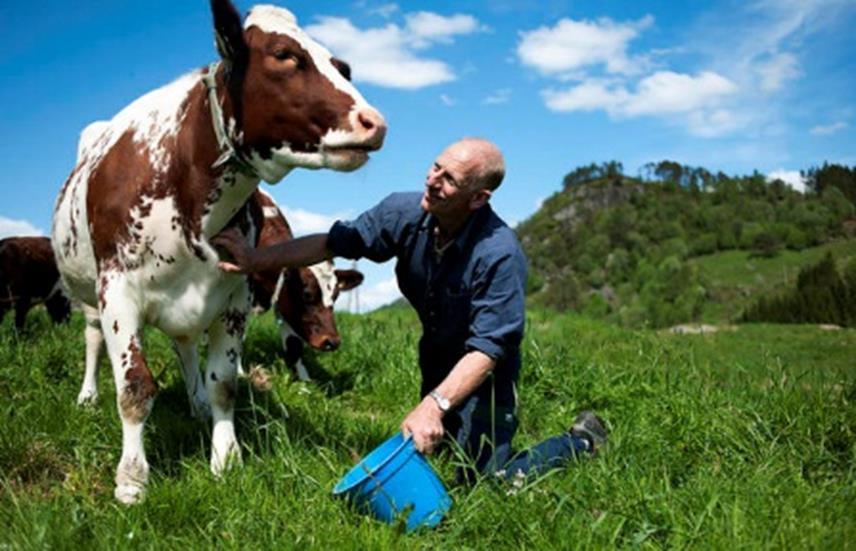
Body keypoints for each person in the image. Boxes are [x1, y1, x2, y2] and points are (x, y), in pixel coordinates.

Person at [213, 137, 607, 482]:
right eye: (436, 166)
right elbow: (332, 243)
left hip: (485, 378)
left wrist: (434, 406)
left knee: (488, 482)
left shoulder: (499, 254)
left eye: (449, 179)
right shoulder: (403, 213)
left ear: (477, 198)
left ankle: (581, 440)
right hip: (435, 362)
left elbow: (488, 348)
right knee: (428, 459)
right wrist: (254, 259)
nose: (432, 180)